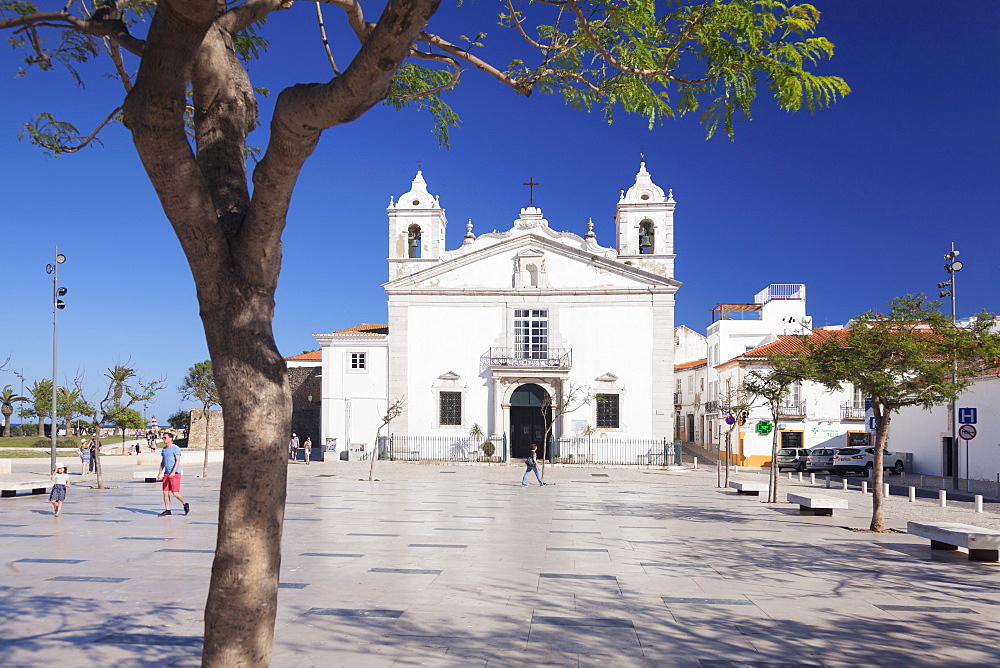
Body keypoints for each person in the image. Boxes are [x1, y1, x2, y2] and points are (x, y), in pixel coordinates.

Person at [156, 432, 189, 517]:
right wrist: (159, 473)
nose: (163, 439)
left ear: (170, 438)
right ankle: (167, 510)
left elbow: (177, 460)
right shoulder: (164, 449)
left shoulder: (175, 448)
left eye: (165, 437)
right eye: (163, 438)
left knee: (175, 493)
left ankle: (185, 504)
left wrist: (173, 471)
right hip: (166, 474)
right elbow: (163, 462)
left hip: (175, 473)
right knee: (165, 492)